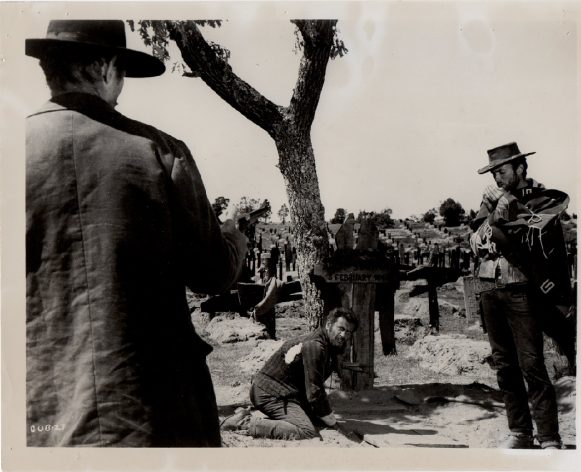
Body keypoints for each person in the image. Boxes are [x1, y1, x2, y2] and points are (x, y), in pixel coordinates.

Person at [25, 20, 248, 447]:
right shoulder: (159, 152)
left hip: (40, 414)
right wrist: (234, 237)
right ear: (108, 68)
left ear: (48, 69)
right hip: (152, 412)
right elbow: (212, 274)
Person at [470, 142, 574, 449]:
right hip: (490, 286)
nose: (497, 178)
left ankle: (549, 437)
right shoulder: (489, 202)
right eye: (494, 174)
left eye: (501, 171)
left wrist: (506, 207)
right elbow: (475, 236)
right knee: (504, 366)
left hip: (522, 289)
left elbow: (536, 237)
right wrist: (480, 234)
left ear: (520, 168)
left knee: (532, 364)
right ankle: (519, 432)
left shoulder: (543, 200)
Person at [222, 308, 359, 439]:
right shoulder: (315, 346)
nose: (344, 335)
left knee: (318, 418)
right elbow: (315, 391)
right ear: (329, 325)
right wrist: (333, 422)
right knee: (306, 430)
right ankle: (244, 422)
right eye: (341, 329)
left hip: (285, 393)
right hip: (269, 393)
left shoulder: (329, 345)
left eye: (348, 332)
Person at [249, 261, 284, 339]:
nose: (263, 274)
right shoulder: (270, 283)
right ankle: (270, 335)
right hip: (265, 307)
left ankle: (269, 334)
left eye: (264, 272)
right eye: (262, 272)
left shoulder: (262, 283)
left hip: (262, 307)